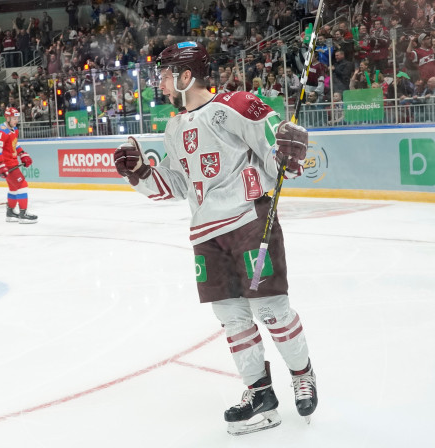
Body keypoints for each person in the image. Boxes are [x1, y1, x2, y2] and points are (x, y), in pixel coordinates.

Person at [113, 42, 316, 436]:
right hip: (207, 234)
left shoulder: (238, 105)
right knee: (232, 318)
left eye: (168, 72)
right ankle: (260, 393)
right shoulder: (174, 127)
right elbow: (174, 184)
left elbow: (280, 149)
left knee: (272, 310)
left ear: (187, 76)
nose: (162, 80)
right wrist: (139, 172)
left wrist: (292, 152)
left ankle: (302, 375)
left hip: (250, 222)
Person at [0, 107, 36, 223]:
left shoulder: (14, 129)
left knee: (14, 188)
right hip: (7, 164)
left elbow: (14, 144)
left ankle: (10, 213)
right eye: (14, 118)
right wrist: (1, 165)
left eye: (17, 118)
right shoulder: (1, 131)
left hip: (12, 163)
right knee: (22, 185)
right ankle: (23, 214)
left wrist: (22, 154)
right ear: (8, 118)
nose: (16, 120)